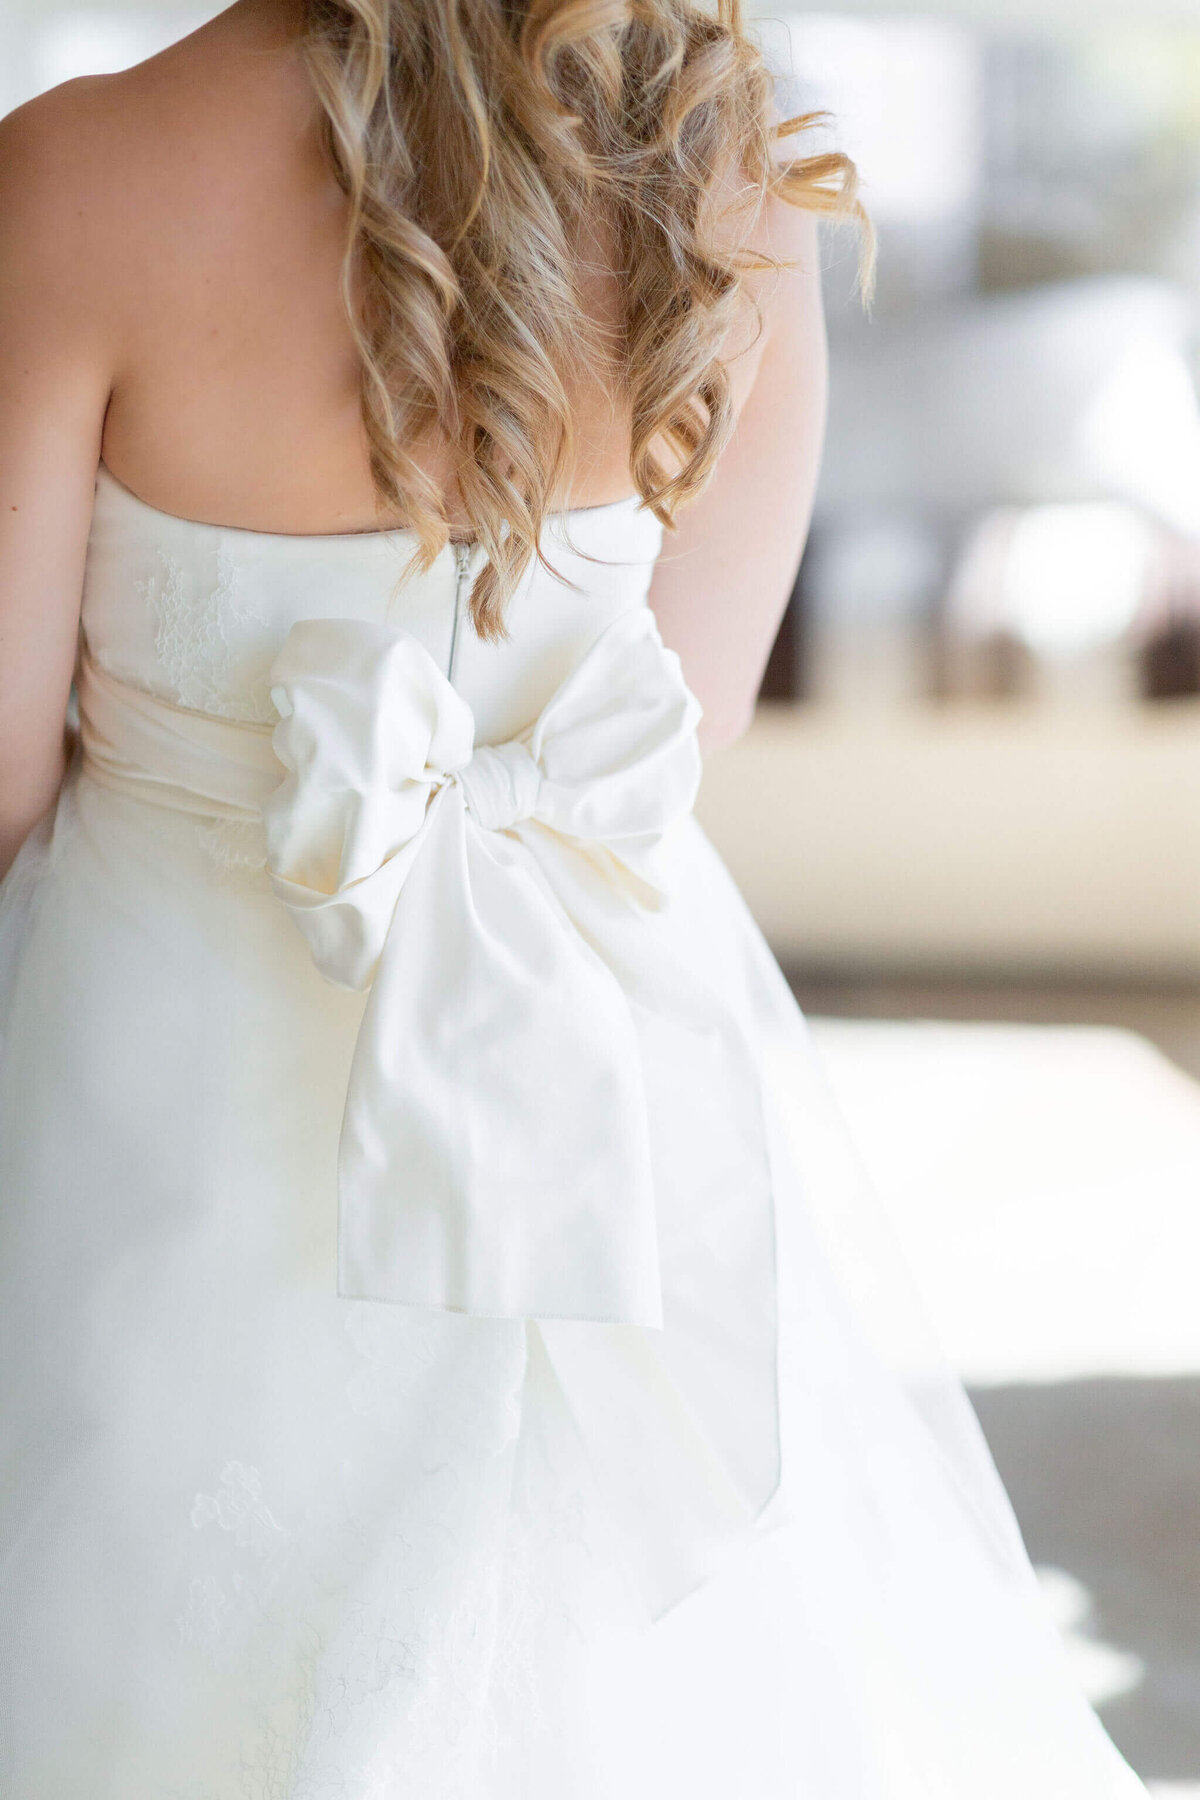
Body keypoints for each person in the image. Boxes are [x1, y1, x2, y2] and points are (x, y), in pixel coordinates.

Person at [0, 2, 1152, 1794]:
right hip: (582, 1065)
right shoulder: (739, 203)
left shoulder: (72, 176)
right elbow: (678, 728)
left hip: (152, 1066)